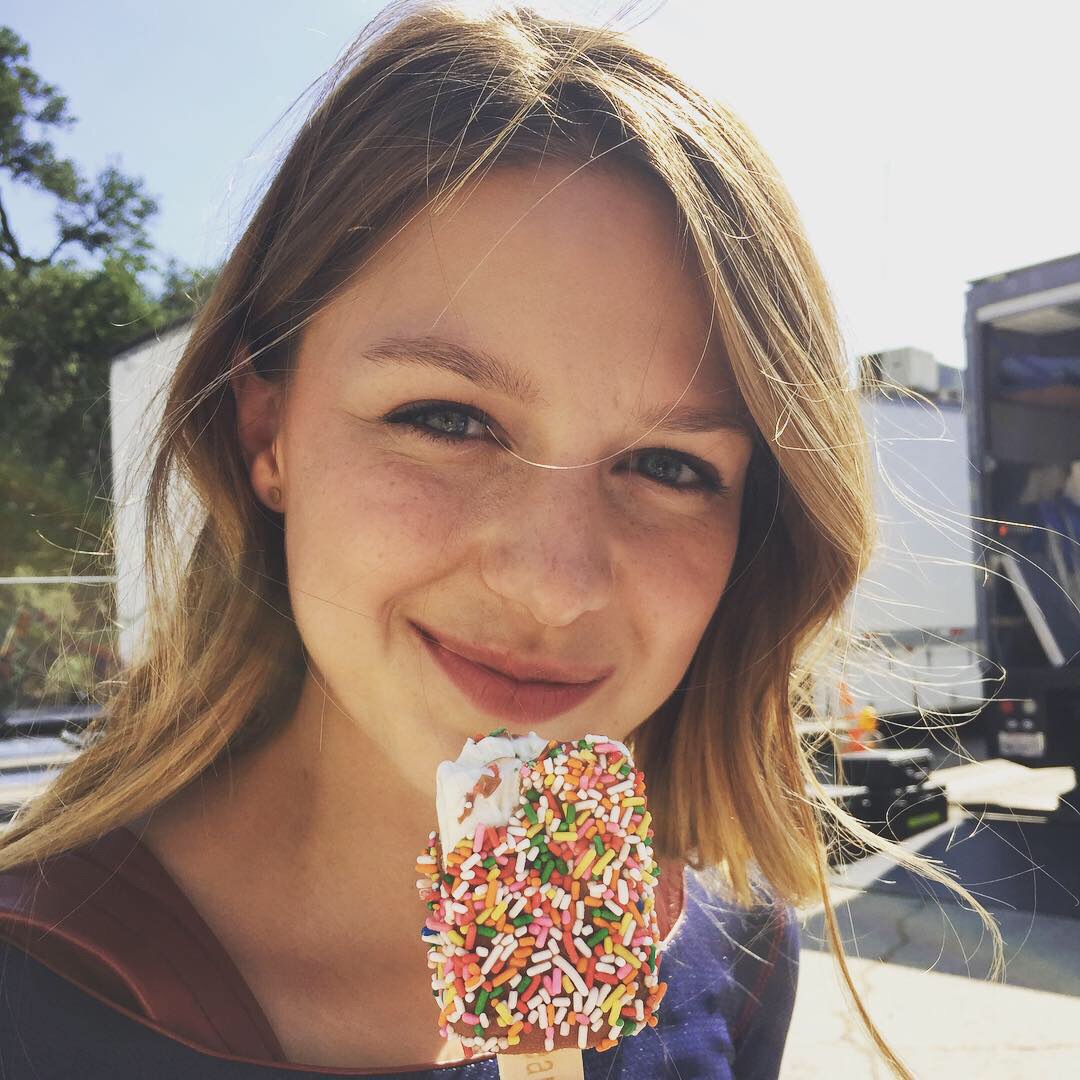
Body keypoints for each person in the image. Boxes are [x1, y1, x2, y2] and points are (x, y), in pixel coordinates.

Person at [0, 3, 1003, 1078]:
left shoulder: (740, 948)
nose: (553, 584)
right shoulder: (36, 992)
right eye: (446, 418)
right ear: (267, 432)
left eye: (669, 466)